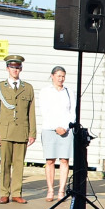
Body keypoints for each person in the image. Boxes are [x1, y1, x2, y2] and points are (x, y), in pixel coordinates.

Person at [0, 54, 36, 204]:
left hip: (21, 131)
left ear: (21, 69)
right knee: (5, 163)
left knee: (18, 164)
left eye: (17, 68)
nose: (15, 70)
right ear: (7, 68)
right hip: (5, 131)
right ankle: (4, 193)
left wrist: (32, 133)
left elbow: (31, 112)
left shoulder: (27, 88)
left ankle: (16, 193)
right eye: (12, 67)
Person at [38, 66, 74, 201]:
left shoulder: (69, 92)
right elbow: (45, 111)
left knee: (64, 160)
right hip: (50, 129)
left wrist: (65, 127)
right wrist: (55, 127)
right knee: (50, 160)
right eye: (58, 76)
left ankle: (61, 190)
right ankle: (50, 190)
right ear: (52, 76)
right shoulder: (45, 91)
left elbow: (73, 112)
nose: (61, 79)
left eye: (63, 76)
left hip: (66, 130)